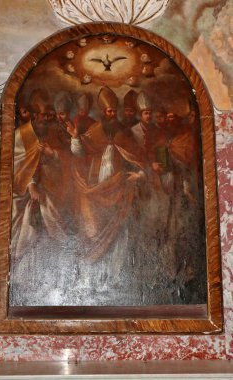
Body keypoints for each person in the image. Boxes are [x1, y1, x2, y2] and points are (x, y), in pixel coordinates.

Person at [66, 86, 147, 305]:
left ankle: (114, 279)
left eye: (114, 111)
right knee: (92, 232)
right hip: (96, 189)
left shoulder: (124, 132)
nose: (111, 114)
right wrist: (75, 138)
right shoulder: (94, 131)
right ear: (103, 112)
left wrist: (139, 173)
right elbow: (80, 151)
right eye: (108, 111)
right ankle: (91, 282)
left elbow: (137, 157)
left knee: (119, 232)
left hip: (119, 189)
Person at [10, 89, 72, 305]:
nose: (49, 118)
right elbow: (16, 165)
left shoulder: (56, 132)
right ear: (35, 115)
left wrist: (52, 154)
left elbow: (70, 158)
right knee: (28, 233)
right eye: (45, 115)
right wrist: (31, 185)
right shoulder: (22, 135)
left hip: (54, 191)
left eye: (51, 114)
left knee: (50, 234)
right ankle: (23, 283)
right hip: (28, 195)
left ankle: (51, 284)